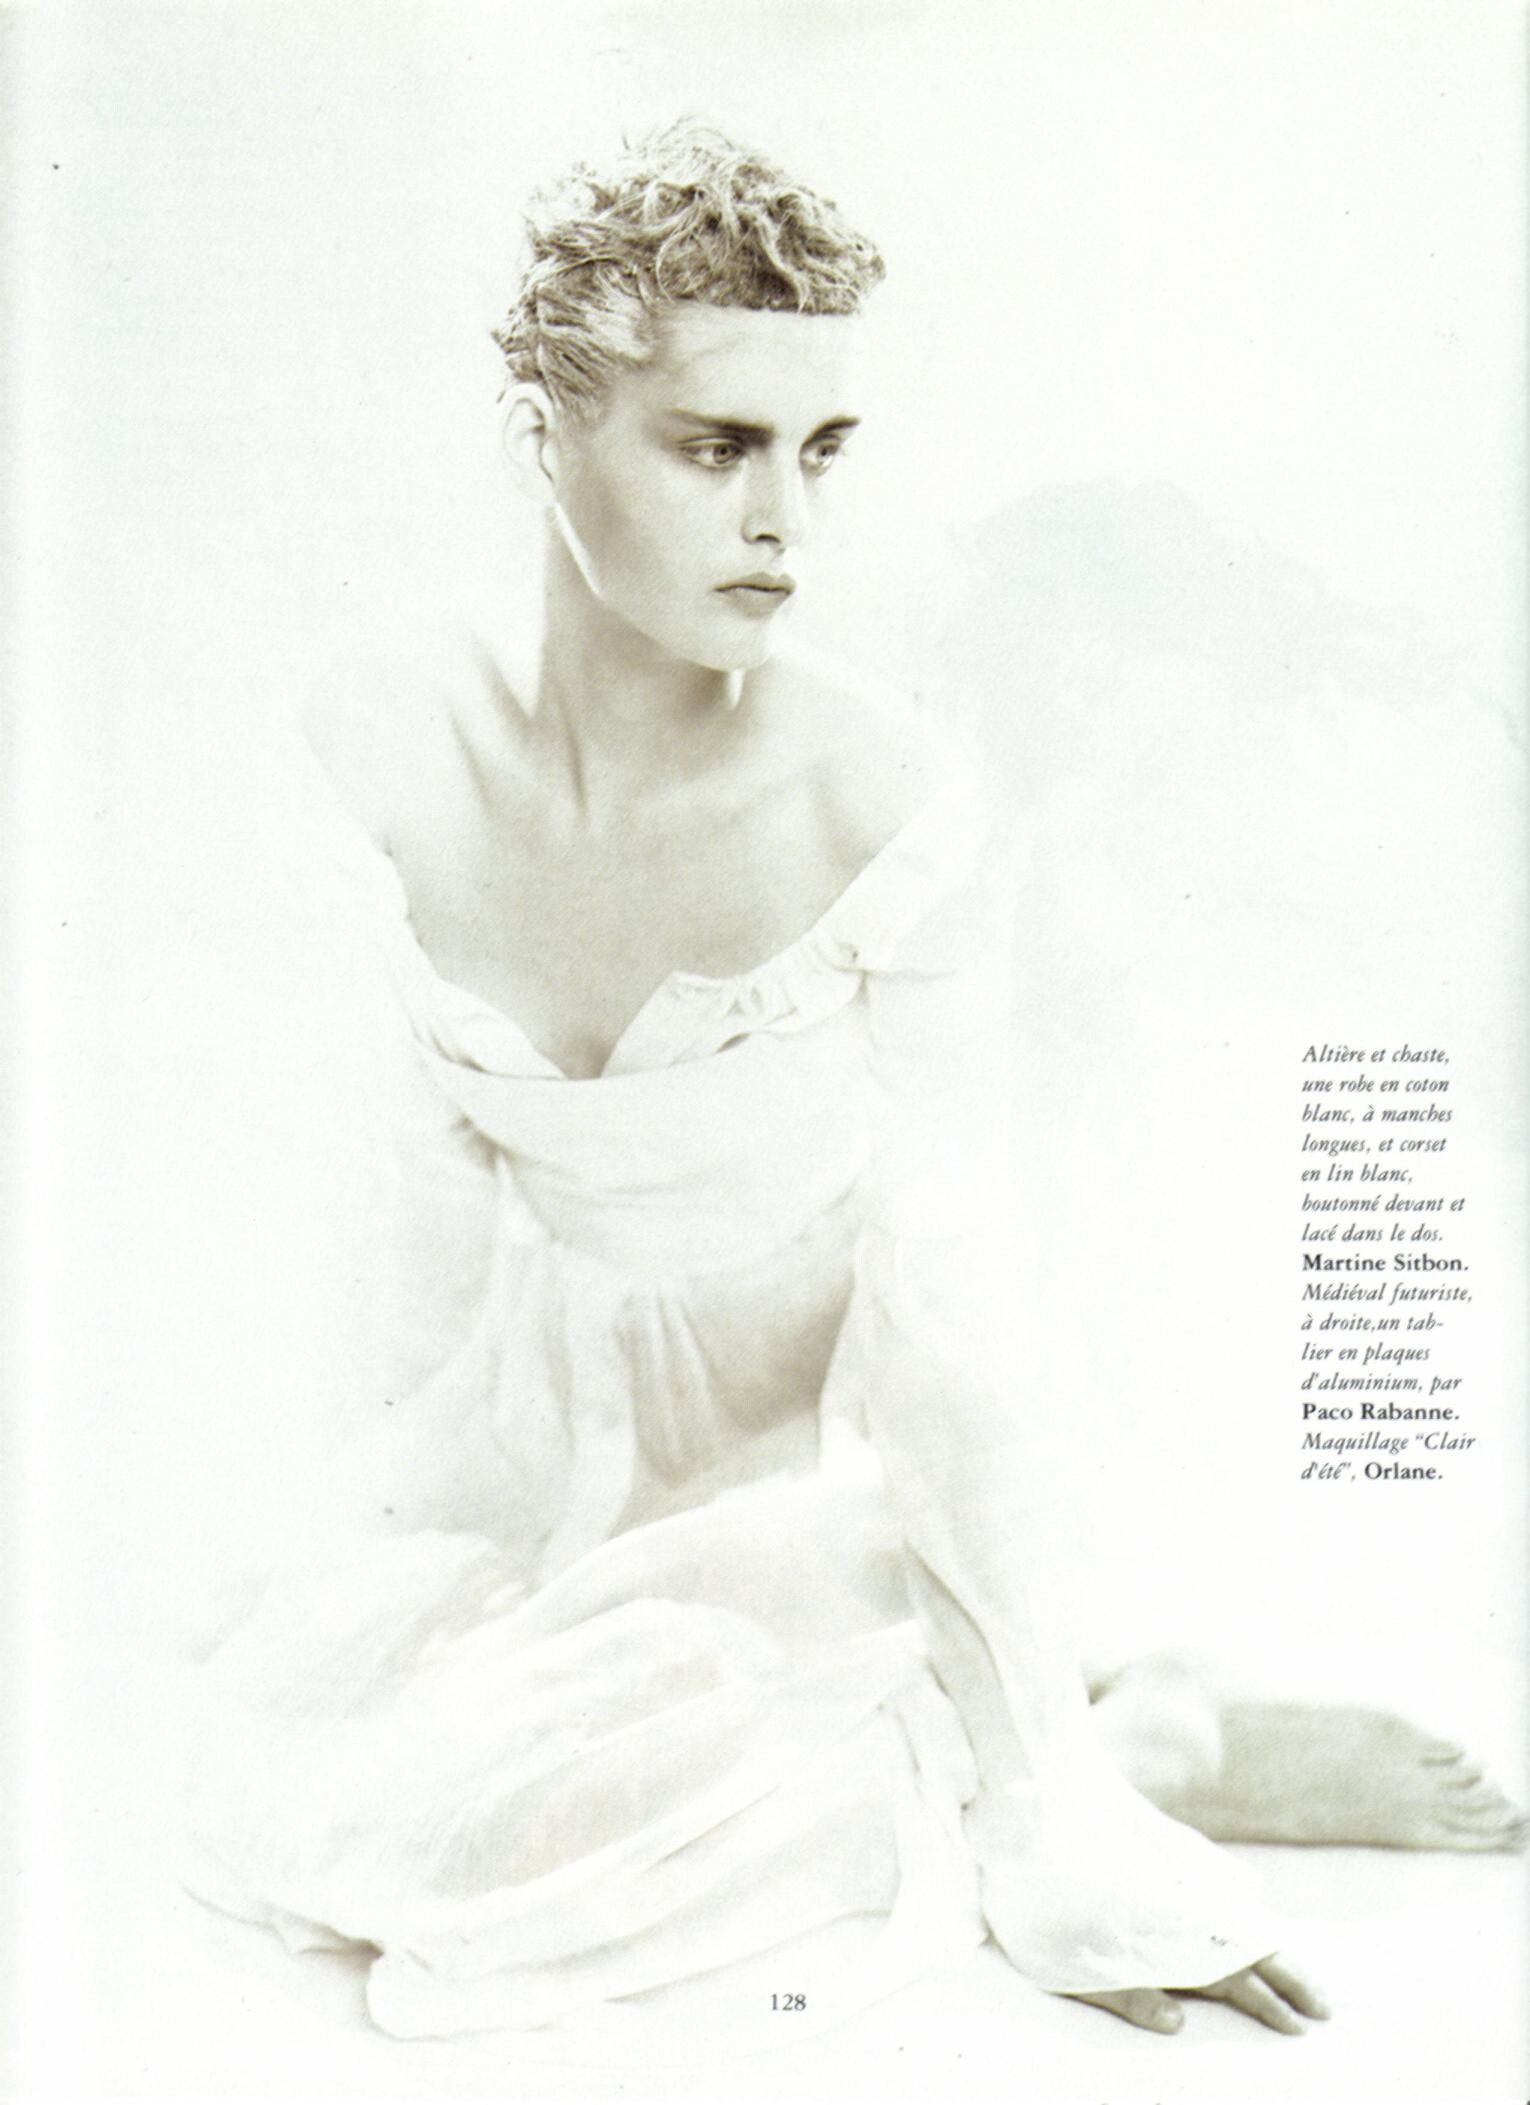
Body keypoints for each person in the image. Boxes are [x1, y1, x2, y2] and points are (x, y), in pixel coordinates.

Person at [183, 120, 1521, 2053]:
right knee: (323, 1810)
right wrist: (381, 1559)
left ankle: (1131, 1736)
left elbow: (949, 1309)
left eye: (821, 452)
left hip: (830, 1473)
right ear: (544, 436)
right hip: (534, 1455)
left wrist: (1051, 1821)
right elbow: (406, 1214)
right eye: (716, 446)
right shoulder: (384, 737)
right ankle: (1056, 1708)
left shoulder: (876, 797)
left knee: (554, 1860)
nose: (783, 522)